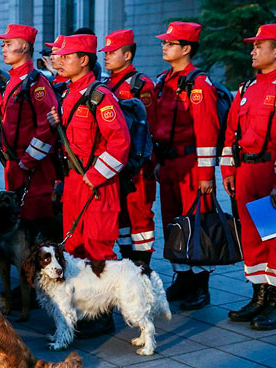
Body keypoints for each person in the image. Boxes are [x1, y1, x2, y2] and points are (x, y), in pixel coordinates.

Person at [222, 24, 276, 331]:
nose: (252, 50)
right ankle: (259, 298)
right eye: (253, 46)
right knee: (252, 239)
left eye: (259, 46)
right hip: (247, 173)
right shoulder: (246, 89)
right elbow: (231, 133)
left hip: (275, 176)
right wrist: (229, 170)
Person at [47, 33, 131, 338]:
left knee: (98, 249)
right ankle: (84, 308)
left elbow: (120, 143)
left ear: (84, 60)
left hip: (96, 185)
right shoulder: (71, 93)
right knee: (75, 248)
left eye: (67, 56)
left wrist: (95, 177)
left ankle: (102, 315)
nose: (60, 60)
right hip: (75, 183)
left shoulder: (99, 95)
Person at [154, 22, 219, 310]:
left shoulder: (198, 84)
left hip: (191, 166)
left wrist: (206, 175)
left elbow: (207, 131)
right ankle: (181, 277)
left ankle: (200, 285)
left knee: (197, 226)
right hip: (168, 165)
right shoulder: (163, 81)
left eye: (170, 43)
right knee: (173, 224)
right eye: (164, 42)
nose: (164, 46)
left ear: (187, 48)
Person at [0, 24, 58, 240]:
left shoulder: (36, 83)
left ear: (25, 47)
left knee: (35, 230)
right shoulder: (14, 81)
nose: (3, 48)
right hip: (16, 166)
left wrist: (27, 161)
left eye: (9, 43)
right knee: (22, 228)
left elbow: (47, 128)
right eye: (3, 44)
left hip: (32, 170)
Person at [101, 29, 158, 265]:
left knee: (140, 218)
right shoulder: (105, 85)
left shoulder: (141, 85)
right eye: (105, 52)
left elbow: (149, 127)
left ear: (127, 55)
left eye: (112, 52)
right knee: (121, 218)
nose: (106, 56)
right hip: (116, 165)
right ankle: (126, 267)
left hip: (137, 167)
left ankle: (143, 269)